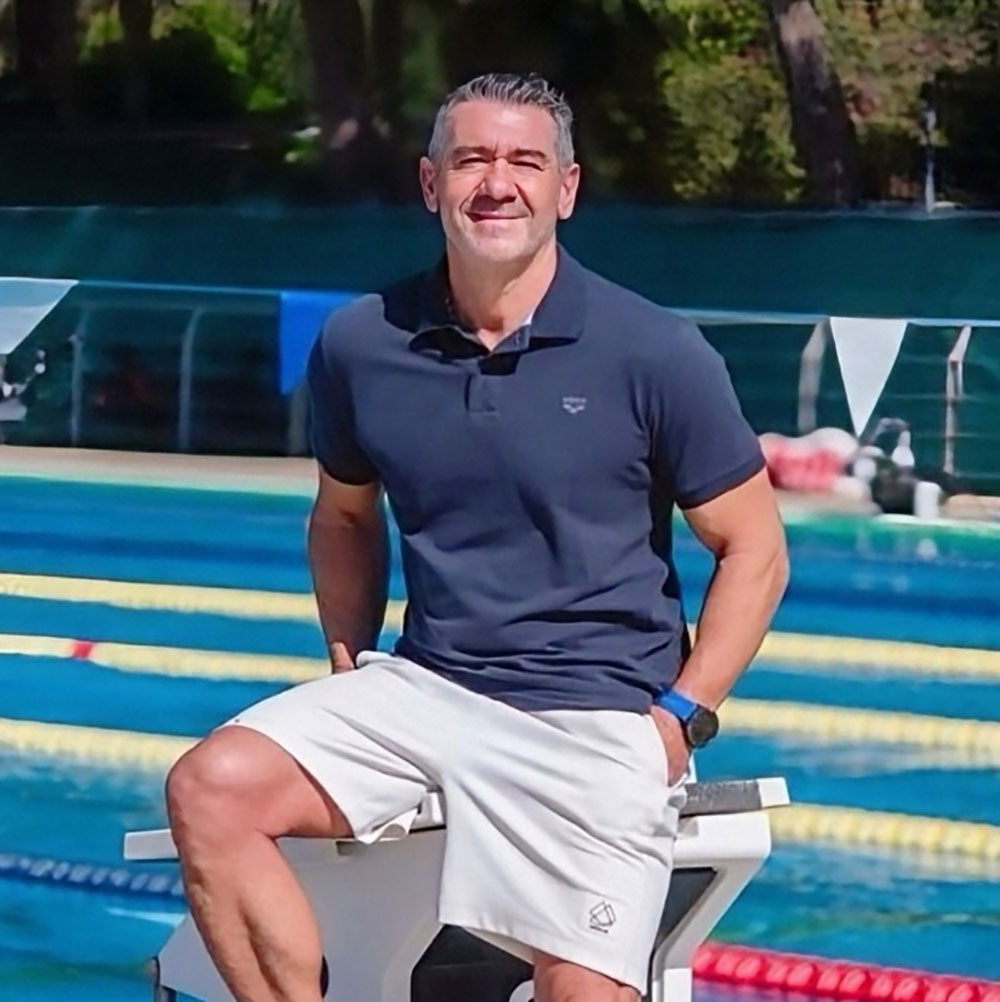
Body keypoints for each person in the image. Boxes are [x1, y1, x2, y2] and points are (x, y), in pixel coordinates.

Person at [165, 73, 789, 1002]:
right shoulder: (360, 342)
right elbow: (343, 514)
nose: (498, 184)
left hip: (597, 710)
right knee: (211, 787)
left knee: (583, 991)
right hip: (429, 686)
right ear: (431, 183)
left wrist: (680, 718)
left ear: (565, 190)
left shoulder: (653, 350)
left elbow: (755, 550)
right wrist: (346, 660)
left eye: (525, 162)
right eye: (472, 161)